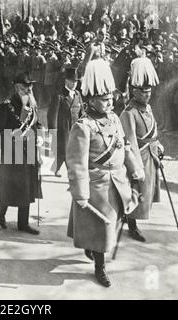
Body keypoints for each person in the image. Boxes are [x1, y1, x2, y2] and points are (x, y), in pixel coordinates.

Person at [66, 59, 143, 287]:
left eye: (111, 99)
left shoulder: (115, 119)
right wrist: (80, 193)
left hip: (117, 181)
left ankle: (94, 249)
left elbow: (125, 146)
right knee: (102, 227)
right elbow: (76, 162)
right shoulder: (83, 126)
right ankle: (100, 268)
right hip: (96, 185)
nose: (109, 103)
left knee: (112, 223)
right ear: (91, 99)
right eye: (104, 99)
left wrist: (135, 168)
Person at [0, 72, 43, 235]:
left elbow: (37, 124)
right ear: (17, 88)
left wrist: (40, 137)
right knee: (9, 188)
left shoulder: (32, 105)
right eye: (26, 87)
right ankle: (1, 211)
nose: (29, 89)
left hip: (29, 152)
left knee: (27, 187)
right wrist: (9, 147)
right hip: (12, 155)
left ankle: (23, 223)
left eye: (30, 86)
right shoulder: (6, 106)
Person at [120, 56, 163, 242]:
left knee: (146, 192)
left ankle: (130, 219)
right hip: (139, 158)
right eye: (143, 92)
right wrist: (135, 166)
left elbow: (153, 130)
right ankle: (132, 225)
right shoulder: (128, 113)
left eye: (149, 92)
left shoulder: (148, 108)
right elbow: (130, 141)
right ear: (135, 92)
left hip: (151, 155)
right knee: (136, 190)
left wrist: (159, 146)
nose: (147, 95)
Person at [47, 67, 83, 177]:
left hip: (75, 127)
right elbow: (52, 114)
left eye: (76, 82)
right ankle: (65, 170)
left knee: (72, 150)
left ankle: (59, 168)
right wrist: (52, 129)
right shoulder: (59, 95)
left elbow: (82, 112)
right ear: (66, 81)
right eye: (72, 81)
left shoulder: (77, 94)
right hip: (63, 128)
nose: (74, 84)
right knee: (63, 150)